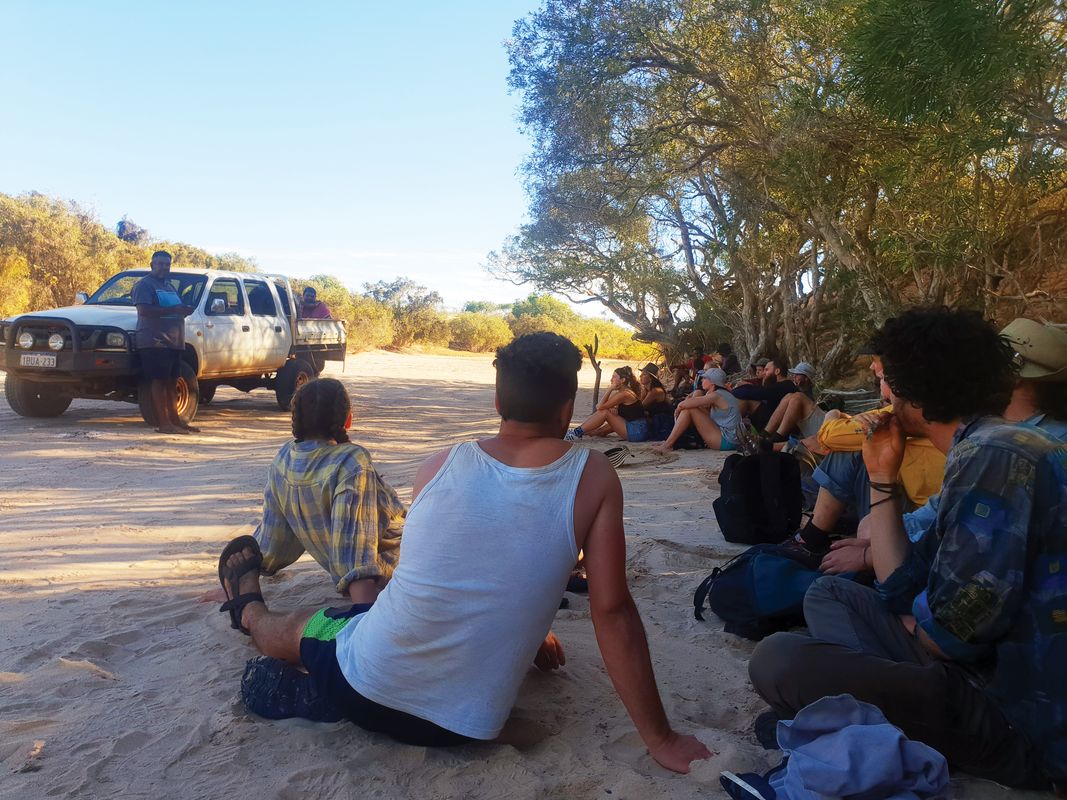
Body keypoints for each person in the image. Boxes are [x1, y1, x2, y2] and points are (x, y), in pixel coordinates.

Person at [216, 332, 711, 772]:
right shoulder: (594, 476)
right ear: (566, 410)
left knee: (308, 622)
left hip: (365, 685)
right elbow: (612, 610)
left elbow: (446, 574)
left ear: (497, 400)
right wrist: (661, 739)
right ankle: (262, 620)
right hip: (464, 727)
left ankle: (249, 609)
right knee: (349, 621)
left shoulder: (439, 465)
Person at [749, 307, 1067, 791]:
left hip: (1023, 724)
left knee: (777, 660)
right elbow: (900, 582)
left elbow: (948, 639)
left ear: (911, 391)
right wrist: (881, 475)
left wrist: (912, 624)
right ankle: (861, 710)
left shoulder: (994, 457)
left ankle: (864, 718)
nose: (882, 395)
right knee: (830, 593)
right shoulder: (991, 445)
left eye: (885, 381)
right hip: (987, 671)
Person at [237, 377, 405, 607]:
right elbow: (355, 543)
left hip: (361, 567)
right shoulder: (350, 462)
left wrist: (244, 575)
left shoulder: (284, 460)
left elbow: (273, 539)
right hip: (400, 566)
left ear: (296, 420)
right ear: (348, 419)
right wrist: (364, 611)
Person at [132, 250, 197, 434]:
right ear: (152, 265)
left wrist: (183, 310)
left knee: (172, 382)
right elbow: (144, 311)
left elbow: (174, 309)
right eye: (160, 264)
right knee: (159, 381)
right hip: (155, 341)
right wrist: (174, 309)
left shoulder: (169, 286)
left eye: (167, 264)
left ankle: (176, 421)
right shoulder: (144, 285)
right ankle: (164, 424)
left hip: (174, 342)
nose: (163, 268)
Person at [652, 368, 741, 452]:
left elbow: (685, 404)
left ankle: (668, 445)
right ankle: (669, 442)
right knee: (693, 408)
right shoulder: (722, 393)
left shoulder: (716, 395)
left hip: (726, 441)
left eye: (705, 378)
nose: (702, 380)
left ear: (712, 382)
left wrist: (678, 408)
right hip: (729, 439)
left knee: (690, 409)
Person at [565, 366, 645, 441]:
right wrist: (612, 408)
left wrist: (610, 389)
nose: (611, 380)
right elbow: (604, 405)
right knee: (603, 417)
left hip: (636, 431)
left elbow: (599, 407)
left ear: (622, 380)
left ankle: (576, 432)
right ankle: (579, 432)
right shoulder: (623, 392)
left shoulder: (625, 394)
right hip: (636, 428)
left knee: (605, 412)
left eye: (614, 377)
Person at [761, 362, 825, 444]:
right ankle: (764, 435)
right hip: (806, 428)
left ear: (806, 378)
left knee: (797, 397)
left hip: (819, 429)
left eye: (797, 375)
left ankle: (775, 439)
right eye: (794, 374)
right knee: (789, 396)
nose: (794, 376)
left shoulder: (815, 392)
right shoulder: (795, 389)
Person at [732, 358, 796, 428]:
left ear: (777, 371)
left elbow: (754, 393)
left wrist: (732, 392)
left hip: (782, 425)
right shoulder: (781, 385)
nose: (764, 373)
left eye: (766, 370)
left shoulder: (785, 385)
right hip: (776, 421)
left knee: (747, 400)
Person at [638, 363, 675, 441]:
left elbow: (640, 407)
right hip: (655, 421)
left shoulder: (655, 391)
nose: (640, 376)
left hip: (662, 424)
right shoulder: (647, 390)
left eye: (644, 374)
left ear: (651, 378)